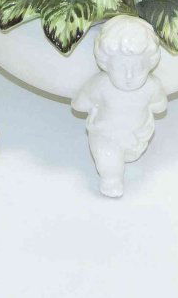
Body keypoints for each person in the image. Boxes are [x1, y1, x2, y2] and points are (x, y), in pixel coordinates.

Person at [71, 16, 167, 197]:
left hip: (138, 136)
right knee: (107, 158)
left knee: (128, 155)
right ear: (106, 63)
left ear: (150, 64)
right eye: (121, 68)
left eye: (138, 68)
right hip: (106, 134)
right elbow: (79, 104)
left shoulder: (152, 86)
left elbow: (160, 106)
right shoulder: (100, 85)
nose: (129, 76)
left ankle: (120, 161)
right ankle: (111, 180)